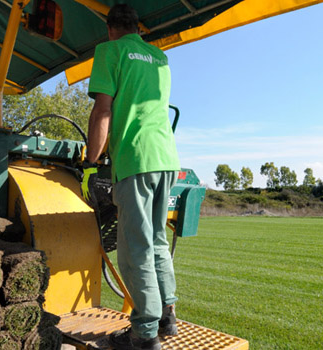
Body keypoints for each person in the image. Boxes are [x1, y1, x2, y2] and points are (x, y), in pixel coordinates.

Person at [81, 4, 181, 350]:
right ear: (138, 28)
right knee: (155, 241)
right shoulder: (160, 59)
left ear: (110, 29)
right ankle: (167, 316)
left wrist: (91, 159)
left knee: (133, 249)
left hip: (135, 159)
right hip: (166, 158)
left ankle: (143, 334)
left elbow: (103, 108)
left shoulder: (110, 50)